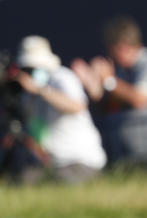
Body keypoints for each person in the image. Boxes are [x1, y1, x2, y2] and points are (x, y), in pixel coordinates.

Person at [72, 16, 147, 168]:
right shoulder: (119, 71)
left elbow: (139, 99)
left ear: (122, 47)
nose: (109, 55)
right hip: (121, 156)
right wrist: (93, 87)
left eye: (111, 49)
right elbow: (107, 107)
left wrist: (108, 81)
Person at [8, 36, 106, 183]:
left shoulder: (62, 77)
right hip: (50, 163)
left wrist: (40, 90)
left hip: (80, 160)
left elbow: (77, 106)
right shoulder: (26, 94)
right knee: (21, 181)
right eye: (26, 69)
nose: (29, 74)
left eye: (33, 68)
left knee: (59, 182)